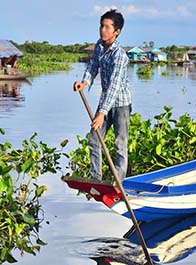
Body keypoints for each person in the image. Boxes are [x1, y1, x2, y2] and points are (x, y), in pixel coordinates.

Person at [73, 9, 131, 181]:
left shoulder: (119, 54)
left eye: (107, 27)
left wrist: (101, 113)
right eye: (101, 26)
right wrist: (85, 83)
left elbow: (114, 85)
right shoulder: (99, 45)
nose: (102, 30)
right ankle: (96, 179)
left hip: (120, 104)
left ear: (116, 31)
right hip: (106, 101)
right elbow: (92, 66)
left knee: (120, 144)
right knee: (94, 139)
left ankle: (118, 181)